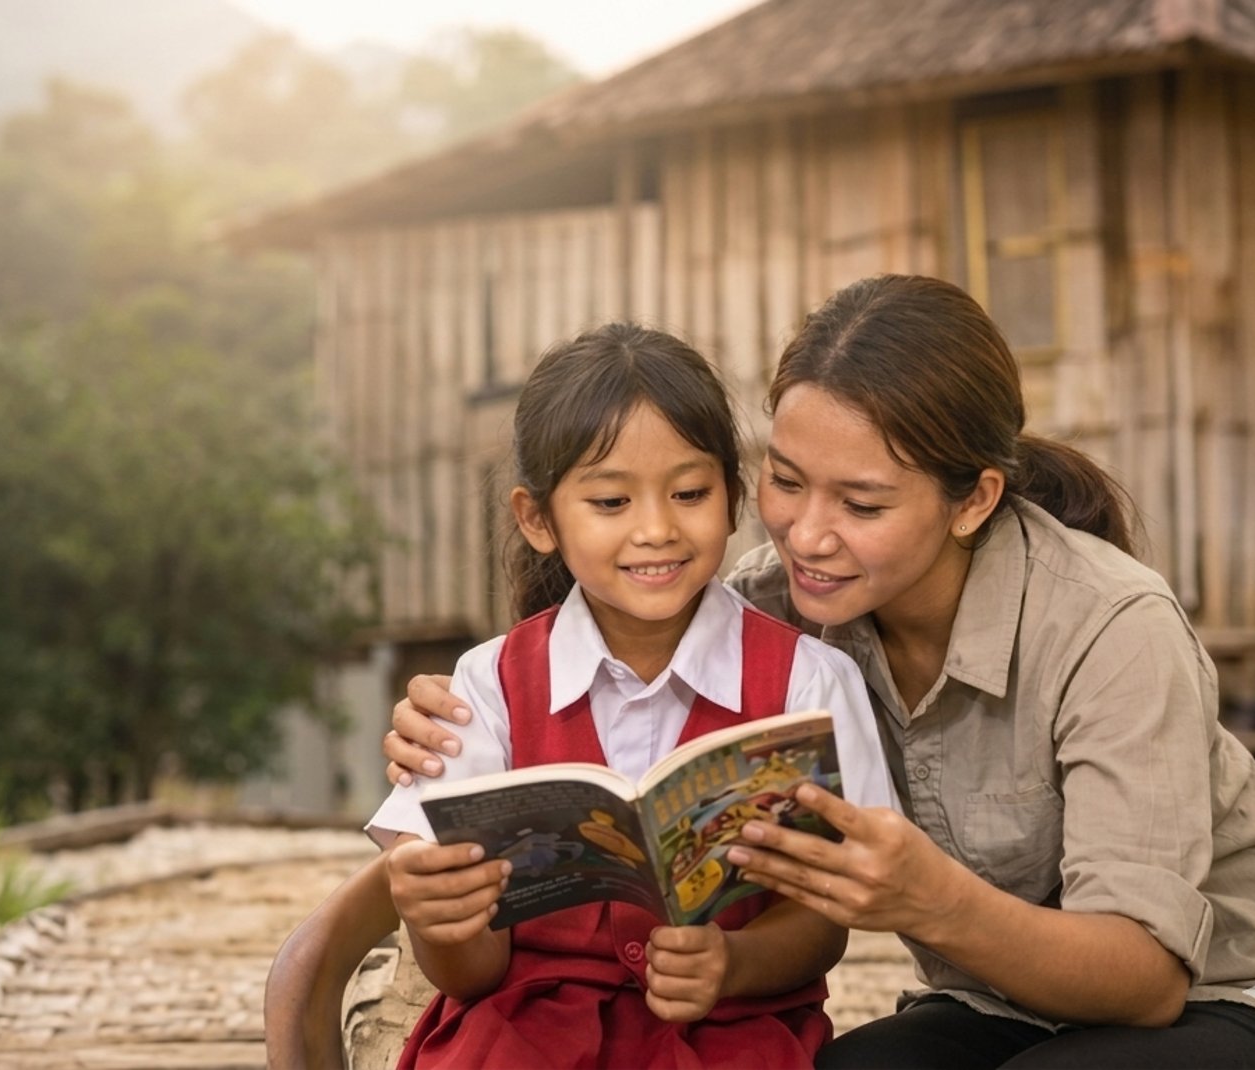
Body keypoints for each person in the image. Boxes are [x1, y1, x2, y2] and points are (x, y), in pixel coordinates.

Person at [383, 275, 1255, 1068]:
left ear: (973, 499)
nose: (808, 535)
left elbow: (1146, 981)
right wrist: (444, 726)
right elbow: (597, 645)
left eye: (863, 501)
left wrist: (929, 898)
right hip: (1007, 1003)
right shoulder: (774, 605)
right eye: (788, 480)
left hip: (1250, 990)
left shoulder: (1111, 625)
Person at [365, 322, 897, 1069]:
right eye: (611, 502)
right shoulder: (487, 688)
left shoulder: (807, 681)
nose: (656, 529)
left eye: (689, 493)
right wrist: (441, 927)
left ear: (733, 496)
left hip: (730, 1033)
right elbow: (471, 973)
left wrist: (734, 963)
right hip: (522, 1036)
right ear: (538, 519)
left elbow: (822, 918)